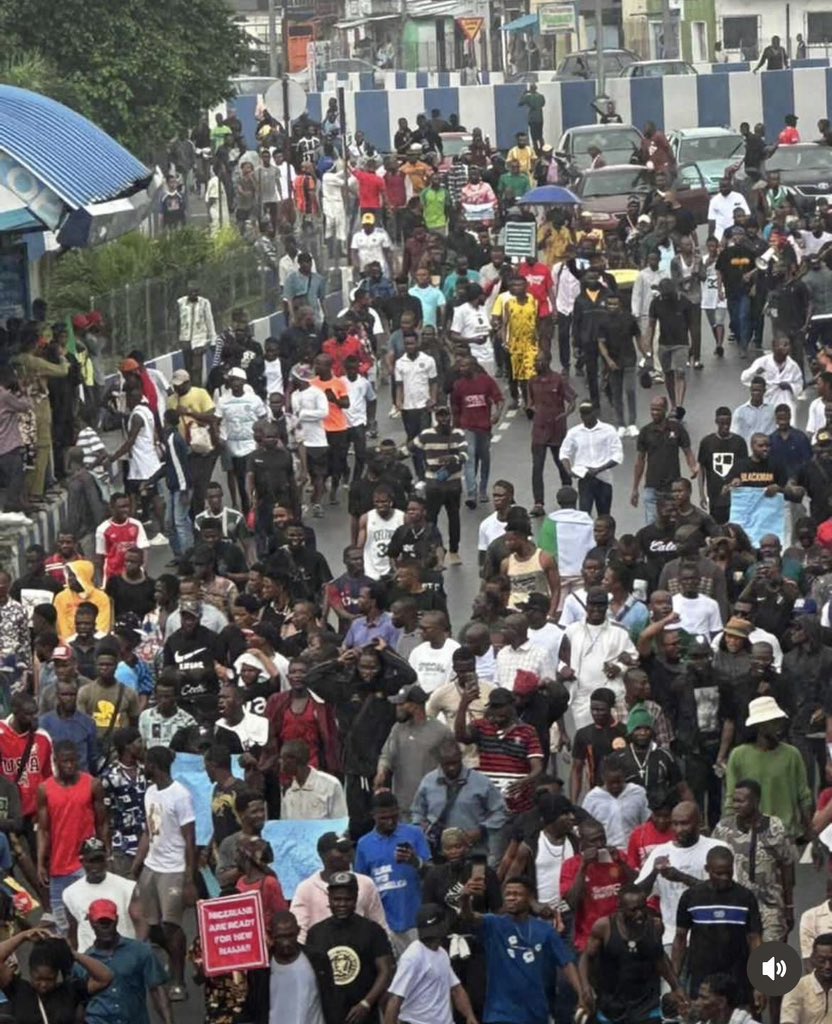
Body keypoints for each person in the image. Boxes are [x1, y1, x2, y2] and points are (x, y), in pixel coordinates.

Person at [460, 873, 590, 1024]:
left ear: (529, 898)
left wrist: (581, 993)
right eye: (507, 894)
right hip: (501, 1013)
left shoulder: (545, 931)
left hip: (535, 1012)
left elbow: (566, 963)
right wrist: (464, 899)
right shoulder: (494, 924)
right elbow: (469, 917)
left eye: (517, 894)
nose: (511, 898)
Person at [132, 745, 196, 1001]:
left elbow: (190, 838)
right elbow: (150, 830)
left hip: (174, 868)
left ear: (154, 766)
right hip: (152, 864)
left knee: (171, 926)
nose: (143, 767)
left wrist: (189, 877)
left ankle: (178, 980)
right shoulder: (149, 792)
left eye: (146, 763)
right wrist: (138, 862)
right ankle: (174, 955)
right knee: (150, 924)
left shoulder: (180, 795)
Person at [580, 886, 685, 1024]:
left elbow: (659, 958)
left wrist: (676, 986)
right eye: (633, 910)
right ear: (620, 908)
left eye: (643, 908)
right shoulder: (604, 927)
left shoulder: (655, 926)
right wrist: (585, 986)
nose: (640, 914)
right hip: (612, 1002)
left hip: (646, 1003)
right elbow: (586, 958)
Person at [671, 846, 761, 1003]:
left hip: (738, 976)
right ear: (707, 869)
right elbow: (680, 938)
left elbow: (755, 940)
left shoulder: (745, 897)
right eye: (719, 873)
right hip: (702, 978)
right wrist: (675, 982)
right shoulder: (691, 897)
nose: (725, 878)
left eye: (728, 872)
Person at [635, 801, 730, 948]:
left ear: (699, 822)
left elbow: (727, 894)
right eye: (675, 824)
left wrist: (682, 877)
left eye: (684, 824)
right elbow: (637, 896)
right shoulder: (660, 852)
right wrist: (654, 872)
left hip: (712, 937)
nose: (679, 829)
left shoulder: (717, 849)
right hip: (672, 938)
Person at [37, 739, 107, 935]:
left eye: (72, 761)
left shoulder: (93, 785)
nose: (69, 765)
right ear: (55, 761)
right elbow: (43, 830)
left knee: (88, 920)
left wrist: (105, 855)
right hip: (58, 867)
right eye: (64, 761)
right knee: (62, 926)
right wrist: (41, 863)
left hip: (85, 864)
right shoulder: (45, 789)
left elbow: (102, 823)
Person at [712, 778, 795, 943]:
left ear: (756, 801)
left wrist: (789, 906)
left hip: (769, 907)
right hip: (735, 907)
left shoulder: (774, 827)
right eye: (734, 800)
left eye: (741, 801)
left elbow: (787, 864)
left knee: (771, 959)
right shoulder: (724, 828)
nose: (736, 805)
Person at [306, 870, 395, 1021]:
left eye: (347, 900)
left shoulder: (373, 930)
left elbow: (385, 971)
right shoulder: (316, 933)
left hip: (365, 1016)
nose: (342, 904)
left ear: (355, 898)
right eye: (337, 899)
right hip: (329, 1016)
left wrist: (366, 1003)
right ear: (329, 898)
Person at [724, 696, 812, 842]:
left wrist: (811, 834)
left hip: (786, 834)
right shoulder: (738, 756)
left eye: (778, 721)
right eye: (772, 722)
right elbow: (731, 799)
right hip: (750, 834)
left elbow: (804, 796)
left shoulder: (792, 755)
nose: (778, 726)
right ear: (759, 725)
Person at [355, 791, 431, 956]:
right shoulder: (364, 844)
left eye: (393, 816)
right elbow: (362, 884)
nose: (390, 821)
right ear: (373, 815)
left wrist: (414, 861)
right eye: (383, 817)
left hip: (414, 919)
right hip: (383, 923)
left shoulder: (414, 834)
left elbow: (432, 874)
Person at [75, 897, 174, 1024]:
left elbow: (158, 990)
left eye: (108, 922)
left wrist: (169, 1021)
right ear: (91, 923)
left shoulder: (140, 951)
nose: (105, 927)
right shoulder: (83, 964)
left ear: (116, 920)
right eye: (100, 923)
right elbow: (78, 1003)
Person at [384, 903, 479, 1024]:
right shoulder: (413, 956)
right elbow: (395, 998)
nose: (431, 940)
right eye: (428, 935)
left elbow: (456, 989)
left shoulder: (442, 954)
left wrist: (469, 1015)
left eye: (433, 934)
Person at [0, 925, 115, 1024]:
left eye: (50, 979)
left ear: (57, 974)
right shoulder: (18, 990)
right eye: (38, 979)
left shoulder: (69, 991)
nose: (43, 984)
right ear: (30, 972)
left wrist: (72, 954)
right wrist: (23, 936)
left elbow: (105, 977)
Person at [291, 831, 388, 942]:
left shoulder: (366, 883)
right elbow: (300, 932)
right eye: (341, 850)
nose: (347, 854)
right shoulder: (306, 888)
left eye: (348, 849)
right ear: (323, 855)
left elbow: (379, 924)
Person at [64, 837, 142, 951]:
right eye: (91, 861)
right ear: (82, 861)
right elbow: (73, 931)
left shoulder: (127, 887)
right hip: (90, 957)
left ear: (106, 860)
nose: (96, 866)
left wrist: (138, 950)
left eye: (100, 860)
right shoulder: (70, 893)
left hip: (123, 952)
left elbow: (140, 921)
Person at [560, 401, 623, 516]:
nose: (585, 417)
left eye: (588, 413)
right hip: (585, 479)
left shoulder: (608, 430)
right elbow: (564, 453)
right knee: (584, 514)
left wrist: (598, 469)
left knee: (604, 515)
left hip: (604, 479)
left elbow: (618, 455)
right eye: (583, 414)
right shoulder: (574, 432)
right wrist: (569, 471)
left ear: (595, 413)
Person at [782, 933, 832, 1024]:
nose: (827, 966)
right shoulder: (797, 988)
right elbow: (788, 1020)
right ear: (812, 959)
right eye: (822, 961)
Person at [176, 282, 216, 386]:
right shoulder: (180, 302)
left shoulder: (204, 303)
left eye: (195, 291)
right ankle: (190, 390)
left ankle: (198, 389)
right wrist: (178, 339)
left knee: (197, 367)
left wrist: (212, 339)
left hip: (199, 340)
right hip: (185, 339)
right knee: (188, 368)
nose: (193, 294)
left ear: (199, 292)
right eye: (191, 291)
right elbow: (178, 321)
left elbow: (209, 320)